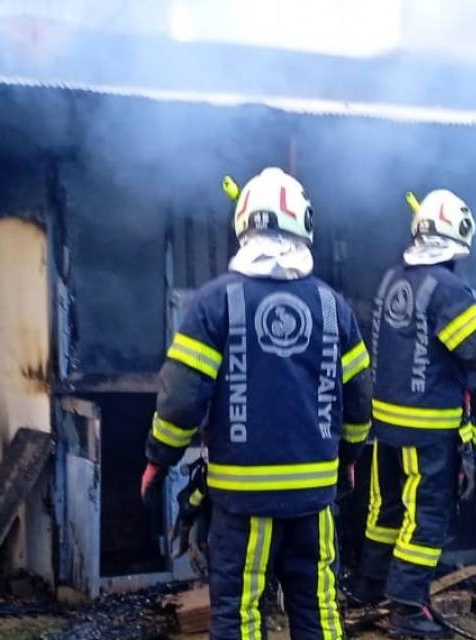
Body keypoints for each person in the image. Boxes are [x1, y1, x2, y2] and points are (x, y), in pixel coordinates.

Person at [140, 167, 372, 640]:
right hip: (314, 501)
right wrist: (347, 460)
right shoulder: (334, 307)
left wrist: (157, 461)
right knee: (319, 610)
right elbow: (358, 403)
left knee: (240, 614)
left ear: (243, 225)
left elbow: (182, 402)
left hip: (243, 504)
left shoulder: (213, 303)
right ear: (305, 226)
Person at [353, 189, 476, 638]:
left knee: (385, 510)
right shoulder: (449, 288)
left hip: (385, 425)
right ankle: (407, 608)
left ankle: (369, 586)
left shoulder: (393, 277)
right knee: (425, 517)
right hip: (429, 428)